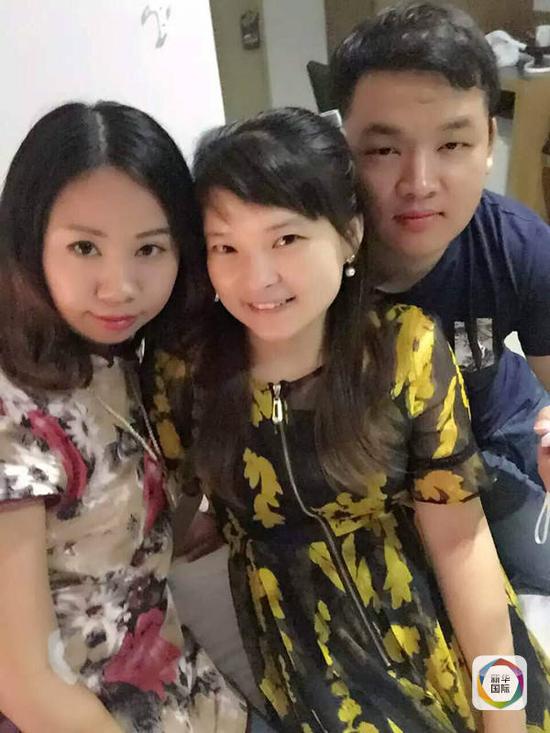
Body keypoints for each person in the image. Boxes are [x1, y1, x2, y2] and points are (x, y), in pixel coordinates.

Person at [146, 107, 550, 733]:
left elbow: (465, 553)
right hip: (315, 665)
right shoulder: (184, 372)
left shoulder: (406, 351)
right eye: (226, 246)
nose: (258, 278)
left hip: (443, 633)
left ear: (350, 234)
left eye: (286, 239)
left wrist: (505, 717)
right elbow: (172, 513)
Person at [0, 101, 273, 733]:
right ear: (27, 242)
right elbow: (27, 687)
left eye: (149, 248)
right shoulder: (15, 415)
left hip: (194, 698)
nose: (119, 286)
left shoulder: (115, 356)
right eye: (84, 247)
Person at [330, 0, 550, 606]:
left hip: (497, 427)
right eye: (383, 151)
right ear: (341, 147)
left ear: (489, 143)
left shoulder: (519, 246)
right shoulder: (308, 259)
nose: (420, 183)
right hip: (377, 461)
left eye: (452, 144)